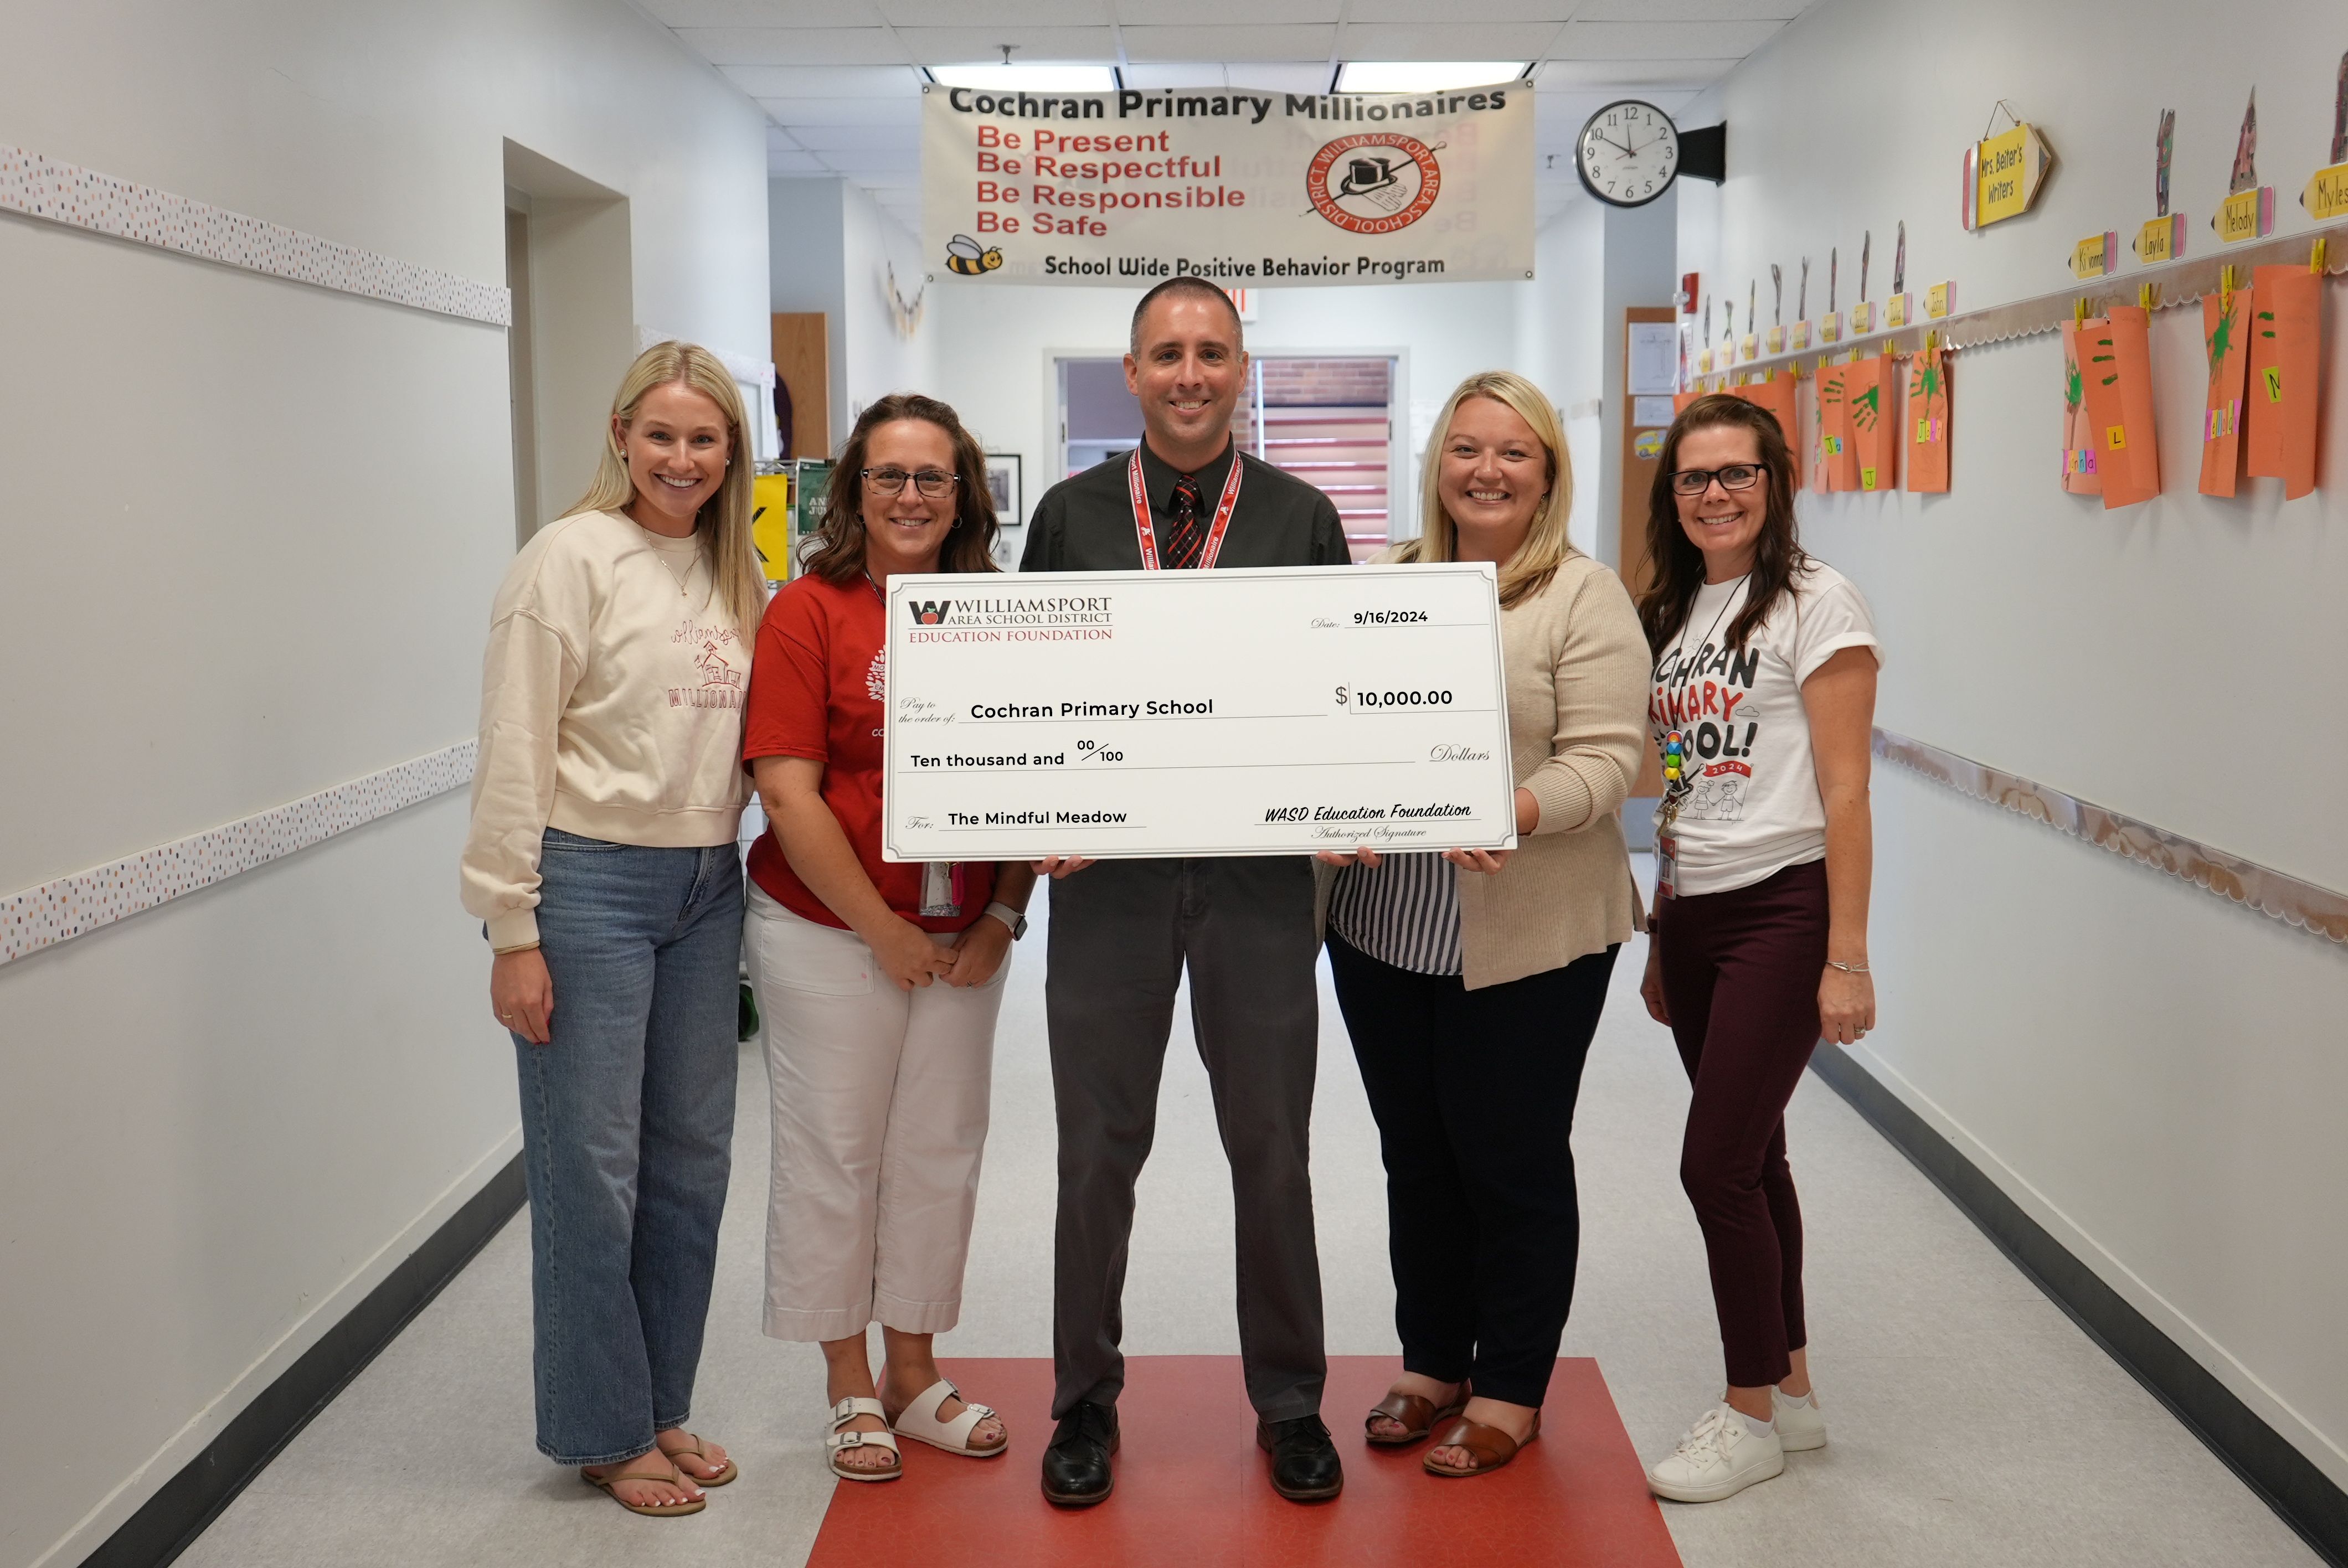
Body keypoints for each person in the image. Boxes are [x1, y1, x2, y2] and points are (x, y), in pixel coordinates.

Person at [1019, 277, 1352, 1507]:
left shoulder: (1300, 516)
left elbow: (1339, 692)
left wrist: (1357, 798)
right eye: (1168, 353)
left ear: (1240, 367)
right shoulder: (1066, 516)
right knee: (1094, 1153)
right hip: (1108, 886)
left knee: (1270, 1147)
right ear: (1131, 372)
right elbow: (1023, 692)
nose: (1190, 373)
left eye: (1212, 352)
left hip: (1259, 885)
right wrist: (1026, 816)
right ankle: (1083, 1406)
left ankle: (1289, 1403)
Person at [1316, 371, 1649, 1479]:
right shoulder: (1387, 581)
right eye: (1465, 448)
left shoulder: (1579, 594)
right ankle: (1429, 1362)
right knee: (1414, 1156)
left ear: (1547, 471)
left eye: (1513, 452)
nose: (1486, 470)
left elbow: (1609, 760)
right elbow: (1336, 727)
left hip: (1529, 928)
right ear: (1436, 467)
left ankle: (1508, 1383)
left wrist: (1513, 806)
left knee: (1506, 1158)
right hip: (1382, 926)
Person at [460, 342, 764, 1517]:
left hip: (704, 888)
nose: (681, 460)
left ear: (730, 452)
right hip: (587, 887)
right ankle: (601, 1429)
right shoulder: (567, 559)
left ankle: (660, 1404)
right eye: (662, 436)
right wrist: (510, 930)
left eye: (704, 440)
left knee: (691, 1166)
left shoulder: (739, 570)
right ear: (620, 434)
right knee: (594, 1175)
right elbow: (515, 748)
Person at [741, 394, 1038, 1482]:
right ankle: (847, 1384)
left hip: (965, 932)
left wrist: (1006, 912)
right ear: (851, 493)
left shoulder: (1001, 611)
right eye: (888, 476)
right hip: (827, 928)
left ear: (964, 493)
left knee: (937, 1150)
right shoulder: (806, 612)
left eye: (932, 477)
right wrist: (880, 931)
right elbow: (787, 791)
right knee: (836, 1150)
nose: (910, 496)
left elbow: (1035, 775)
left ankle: (914, 1373)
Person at [1633, 393, 1881, 1503]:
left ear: (1774, 482)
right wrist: (1657, 928)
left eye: (1736, 473)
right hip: (1693, 911)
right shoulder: (1678, 610)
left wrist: (1847, 954)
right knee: (1758, 1155)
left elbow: (1845, 792)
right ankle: (1791, 1389)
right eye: (1693, 477)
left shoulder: (1816, 604)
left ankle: (1744, 1419)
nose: (1715, 494)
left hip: (1781, 912)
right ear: (1670, 495)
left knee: (1713, 1165)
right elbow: (1680, 785)